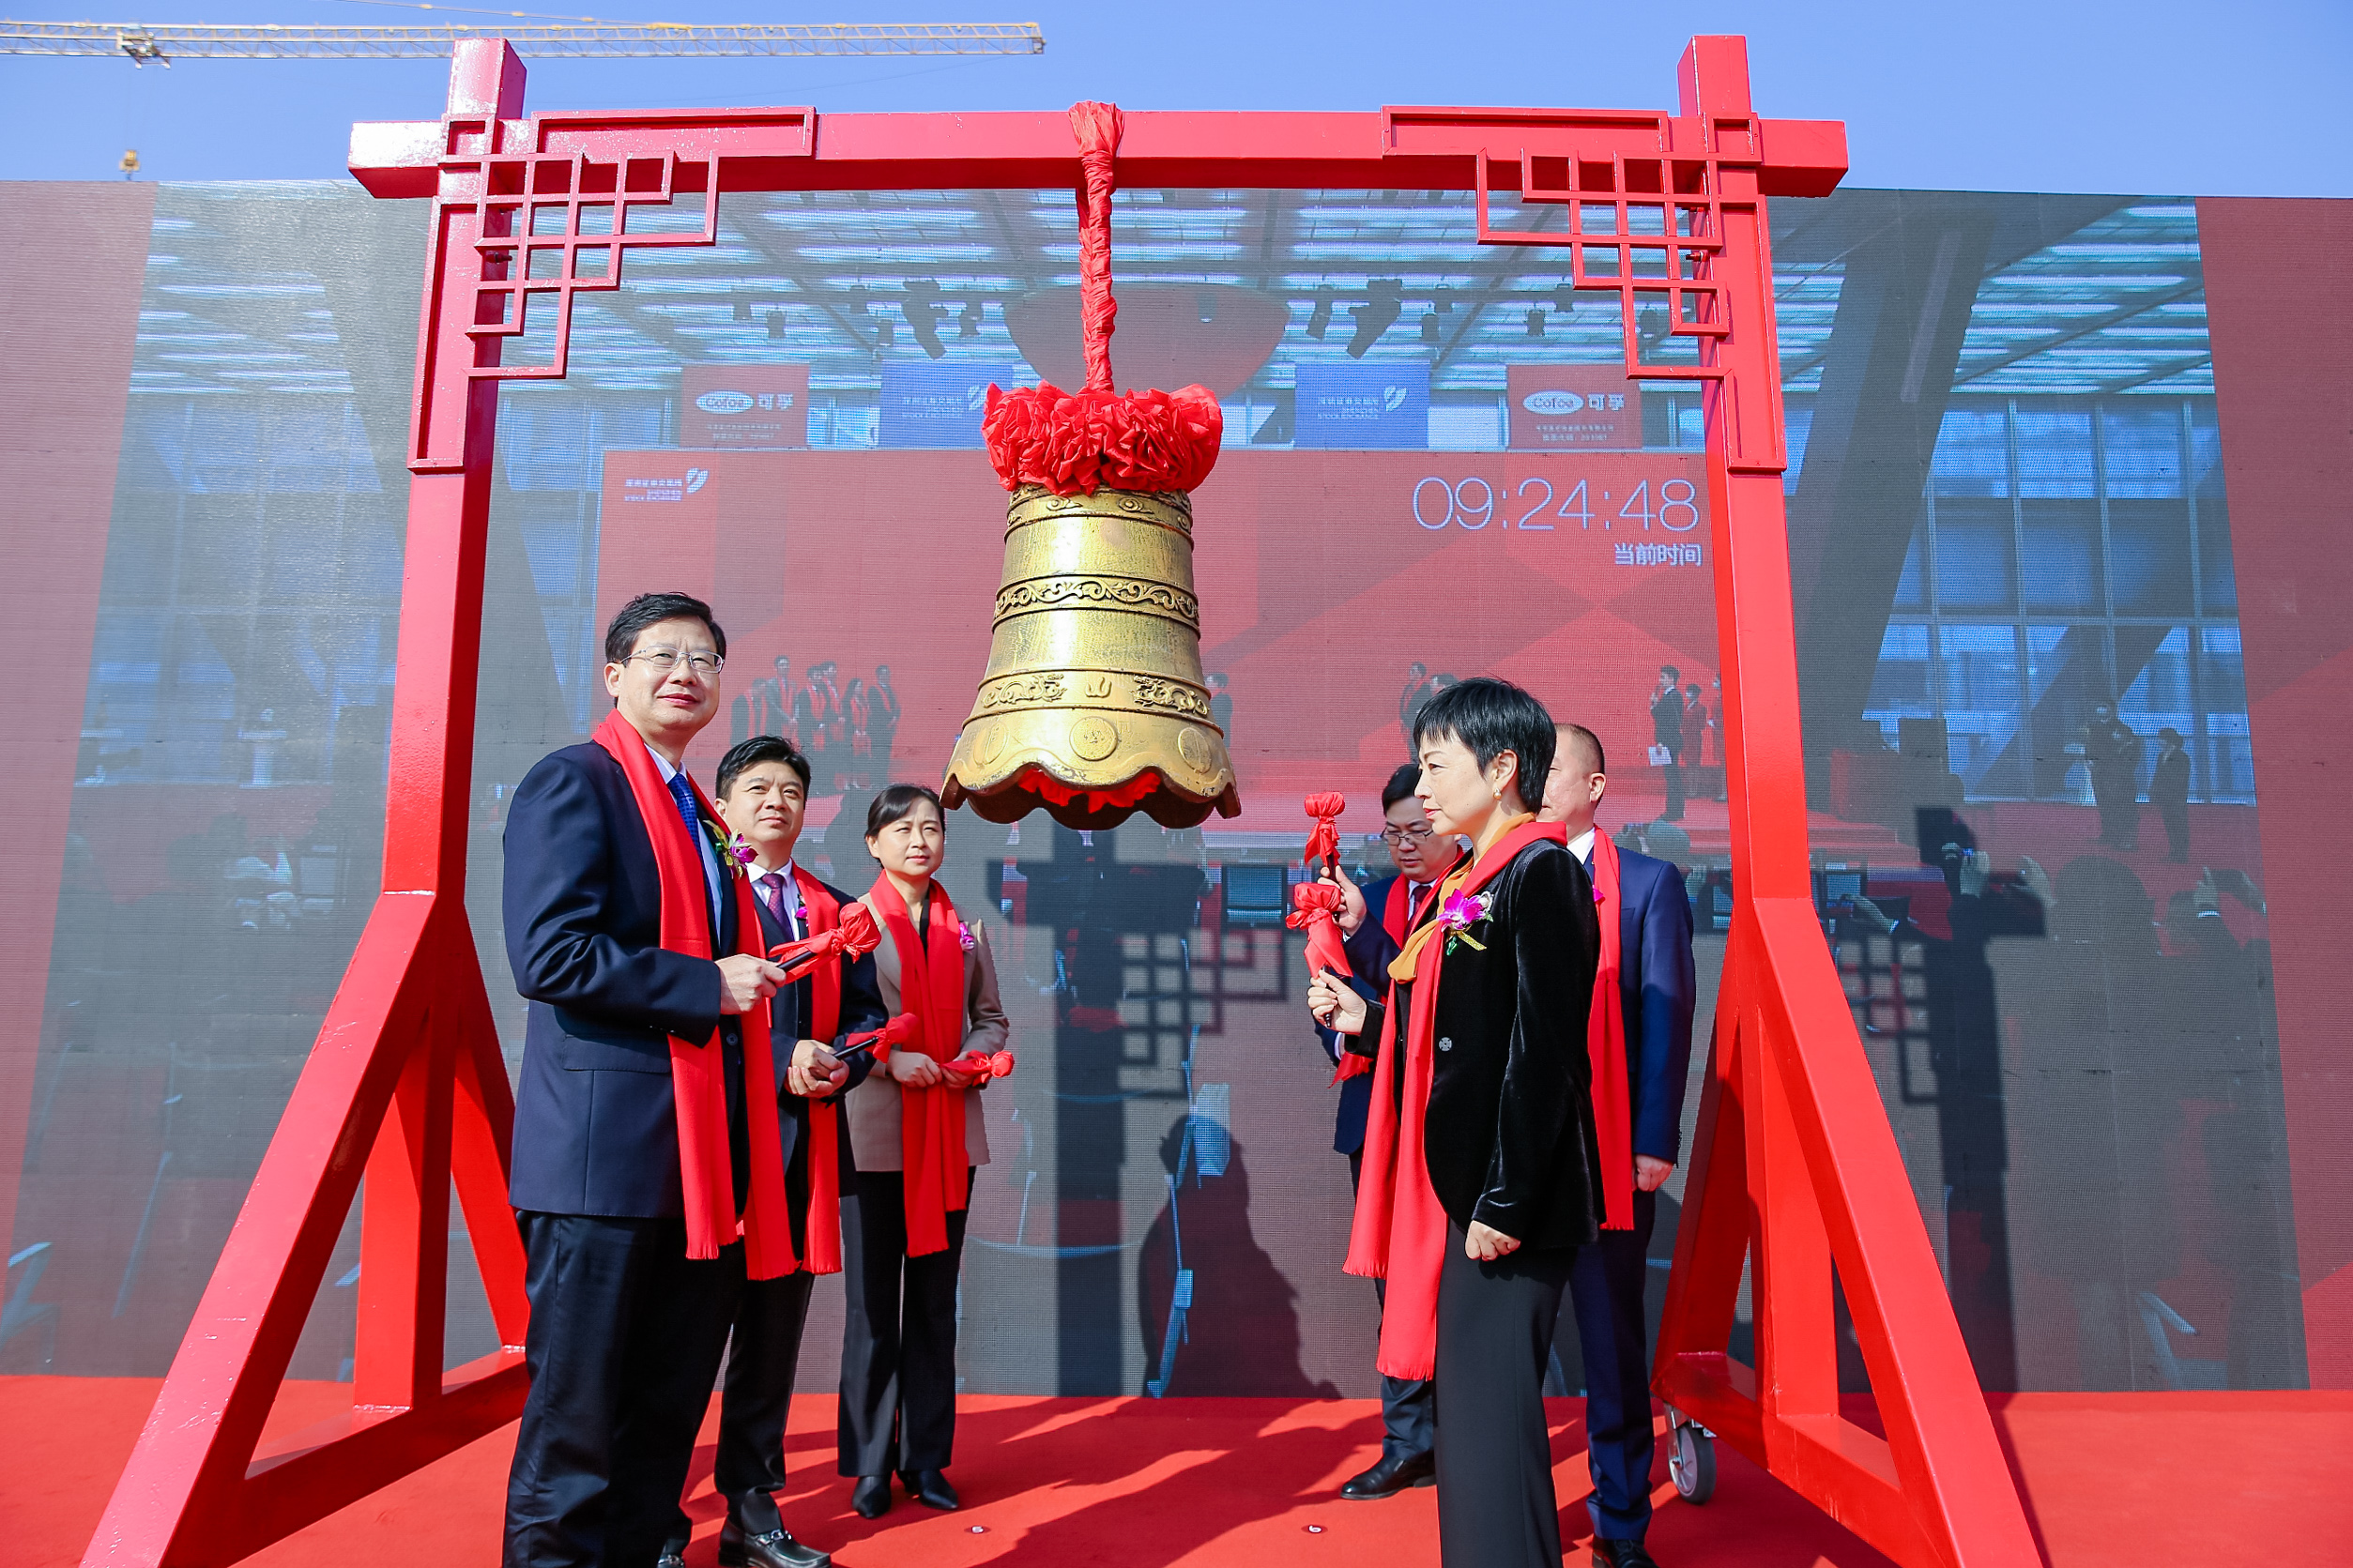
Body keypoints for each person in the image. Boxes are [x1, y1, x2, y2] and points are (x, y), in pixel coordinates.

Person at [502, 592, 801, 1568]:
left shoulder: (701, 815)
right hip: (602, 1166)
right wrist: (704, 984)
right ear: (614, 674)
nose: (685, 672)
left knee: (659, 1427)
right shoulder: (575, 781)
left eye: (704, 659)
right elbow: (548, 954)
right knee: (576, 1427)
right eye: (662, 655)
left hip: (699, 1172)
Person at [1310, 677, 1602, 1568]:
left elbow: (1542, 1051)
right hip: (1464, 1195)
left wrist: (1504, 1201)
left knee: (1491, 1429)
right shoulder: (1472, 880)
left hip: (1507, 1206)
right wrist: (1369, 1021)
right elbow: (1457, 1036)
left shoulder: (1541, 871)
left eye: (1437, 765)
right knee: (1477, 1433)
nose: (1422, 785)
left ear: (1502, 767)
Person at [656, 735, 892, 1568]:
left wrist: (839, 1062)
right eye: (756, 788)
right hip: (709, 1154)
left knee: (771, 1338)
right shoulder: (693, 899)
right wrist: (779, 1051)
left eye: (790, 790)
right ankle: (658, 1520)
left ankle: (751, 1512)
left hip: (797, 1154)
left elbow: (867, 1019)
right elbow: (675, 1009)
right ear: (721, 805)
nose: (775, 803)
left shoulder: (835, 909)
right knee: (684, 1341)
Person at [1538, 723, 1697, 1568]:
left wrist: (1652, 1136)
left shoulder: (1645, 884)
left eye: (1552, 767)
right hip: (1517, 1165)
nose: (1534, 780)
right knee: (1510, 1350)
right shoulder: (1486, 880)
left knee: (1609, 1342)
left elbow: (1666, 1016)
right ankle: (1517, 1517)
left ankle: (1622, 1523)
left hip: (1607, 1157)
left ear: (1594, 787)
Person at [839, 784, 1009, 1518]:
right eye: (902, 828)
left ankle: (925, 1458)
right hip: (875, 1134)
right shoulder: (851, 922)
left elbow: (991, 1017)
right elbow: (838, 1023)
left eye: (930, 828)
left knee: (935, 1303)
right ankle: (869, 1464)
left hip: (948, 1128)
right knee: (873, 1305)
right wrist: (887, 1058)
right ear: (872, 842)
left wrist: (974, 1056)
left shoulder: (965, 928)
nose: (918, 839)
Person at [1308, 763, 1463, 1500]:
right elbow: (1334, 1002)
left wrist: (1369, 998)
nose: (1405, 844)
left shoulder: (1474, 899)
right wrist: (1345, 1027)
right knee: (1393, 1287)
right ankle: (1409, 1441)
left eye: (1419, 830)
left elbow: (1419, 995)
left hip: (1451, 1119)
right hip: (1374, 1113)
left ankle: (1465, 1434)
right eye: (1392, 831)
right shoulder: (1364, 902)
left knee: (1455, 1287)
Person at [2080, 701, 2142, 850]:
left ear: (2112, 710)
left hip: (2115, 775)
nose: (2101, 709)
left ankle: (2124, 838)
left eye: (2105, 707)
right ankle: (2108, 833)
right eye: (2099, 707)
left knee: (2119, 805)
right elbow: (2089, 747)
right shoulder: (2093, 728)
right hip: (2098, 773)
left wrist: (2123, 769)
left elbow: (2132, 752)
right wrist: (2088, 760)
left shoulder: (2122, 729)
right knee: (2104, 804)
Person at [1650, 666, 1686, 822]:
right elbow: (1659, 716)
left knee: (1673, 777)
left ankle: (1673, 811)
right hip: (1670, 741)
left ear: (1671, 679)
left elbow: (1668, 722)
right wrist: (1654, 704)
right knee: (1672, 776)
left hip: (1670, 742)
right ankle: (1676, 810)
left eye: (1663, 677)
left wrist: (1662, 742)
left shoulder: (1673, 696)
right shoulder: (1668, 696)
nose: (1661, 680)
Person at [2151, 725, 2191, 862]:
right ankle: (2174, 851)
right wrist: (2154, 790)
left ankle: (2182, 853)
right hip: (2164, 797)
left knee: (2179, 823)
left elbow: (2180, 778)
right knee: (2169, 823)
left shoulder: (2182, 757)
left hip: (2176, 797)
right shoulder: (2161, 756)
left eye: (2161, 738)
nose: (2158, 741)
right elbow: (2157, 775)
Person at [867, 664, 901, 783]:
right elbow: (877, 709)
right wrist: (889, 720)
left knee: (885, 755)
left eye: (888, 673)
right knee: (878, 755)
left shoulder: (891, 690)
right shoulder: (873, 690)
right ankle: (876, 780)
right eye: (884, 673)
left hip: (888, 729)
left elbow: (897, 707)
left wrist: (895, 717)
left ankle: (883, 779)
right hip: (878, 728)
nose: (887, 676)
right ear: (879, 675)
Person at [843, 677, 871, 790]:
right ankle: (846, 782)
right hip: (851, 734)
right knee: (849, 758)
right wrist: (855, 729)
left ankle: (855, 781)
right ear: (853, 688)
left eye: (861, 686)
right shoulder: (847, 701)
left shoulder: (863, 700)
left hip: (862, 734)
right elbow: (847, 718)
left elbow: (867, 716)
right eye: (858, 686)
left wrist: (864, 730)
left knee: (859, 758)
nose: (860, 688)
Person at [1398, 662, 1431, 759]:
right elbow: (1403, 704)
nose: (1410, 673)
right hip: (1407, 724)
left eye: (1413, 671)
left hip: (1417, 724)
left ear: (1420, 674)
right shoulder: (1408, 688)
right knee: (1411, 747)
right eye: (1410, 671)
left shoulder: (1426, 689)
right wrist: (1403, 718)